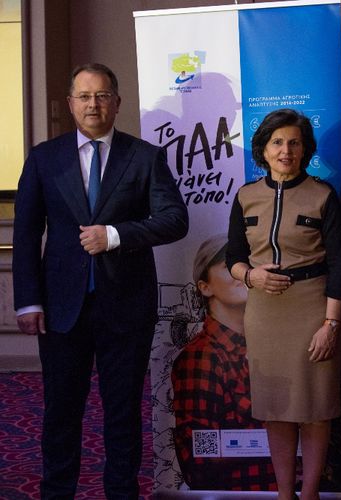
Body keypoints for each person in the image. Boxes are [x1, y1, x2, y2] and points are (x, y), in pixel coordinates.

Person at [12, 63, 188, 499]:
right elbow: (26, 233)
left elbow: (175, 219)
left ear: (117, 102)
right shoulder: (44, 158)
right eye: (85, 96)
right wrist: (28, 300)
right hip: (60, 309)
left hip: (126, 308)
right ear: (70, 103)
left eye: (103, 95)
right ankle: (57, 492)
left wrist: (114, 235)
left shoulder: (144, 156)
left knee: (122, 413)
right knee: (61, 412)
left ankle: (121, 493)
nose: (94, 104)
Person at [226, 108, 341, 500]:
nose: (286, 151)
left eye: (294, 143)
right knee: (275, 407)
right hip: (264, 314)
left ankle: (308, 493)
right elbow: (233, 257)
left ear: (305, 149)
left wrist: (331, 325)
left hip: (313, 310)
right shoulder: (245, 196)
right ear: (263, 149)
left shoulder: (323, 195)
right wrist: (250, 276)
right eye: (277, 142)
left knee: (314, 408)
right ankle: (284, 494)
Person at [171, 234, 276, 490]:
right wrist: (270, 440)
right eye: (229, 266)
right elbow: (198, 456)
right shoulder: (202, 357)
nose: (242, 273)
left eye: (248, 264)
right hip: (241, 492)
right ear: (205, 287)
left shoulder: (269, 344)